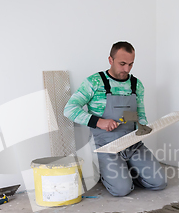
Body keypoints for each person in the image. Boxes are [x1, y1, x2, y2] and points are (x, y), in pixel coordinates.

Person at [64, 41, 167, 196]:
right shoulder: (94, 82)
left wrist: (144, 126)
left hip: (132, 143)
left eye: (131, 64)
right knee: (121, 190)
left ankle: (127, 172)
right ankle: (108, 174)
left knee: (159, 183)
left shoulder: (136, 84)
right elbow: (69, 109)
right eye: (122, 63)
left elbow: (141, 114)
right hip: (106, 146)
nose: (126, 69)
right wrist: (99, 121)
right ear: (110, 60)